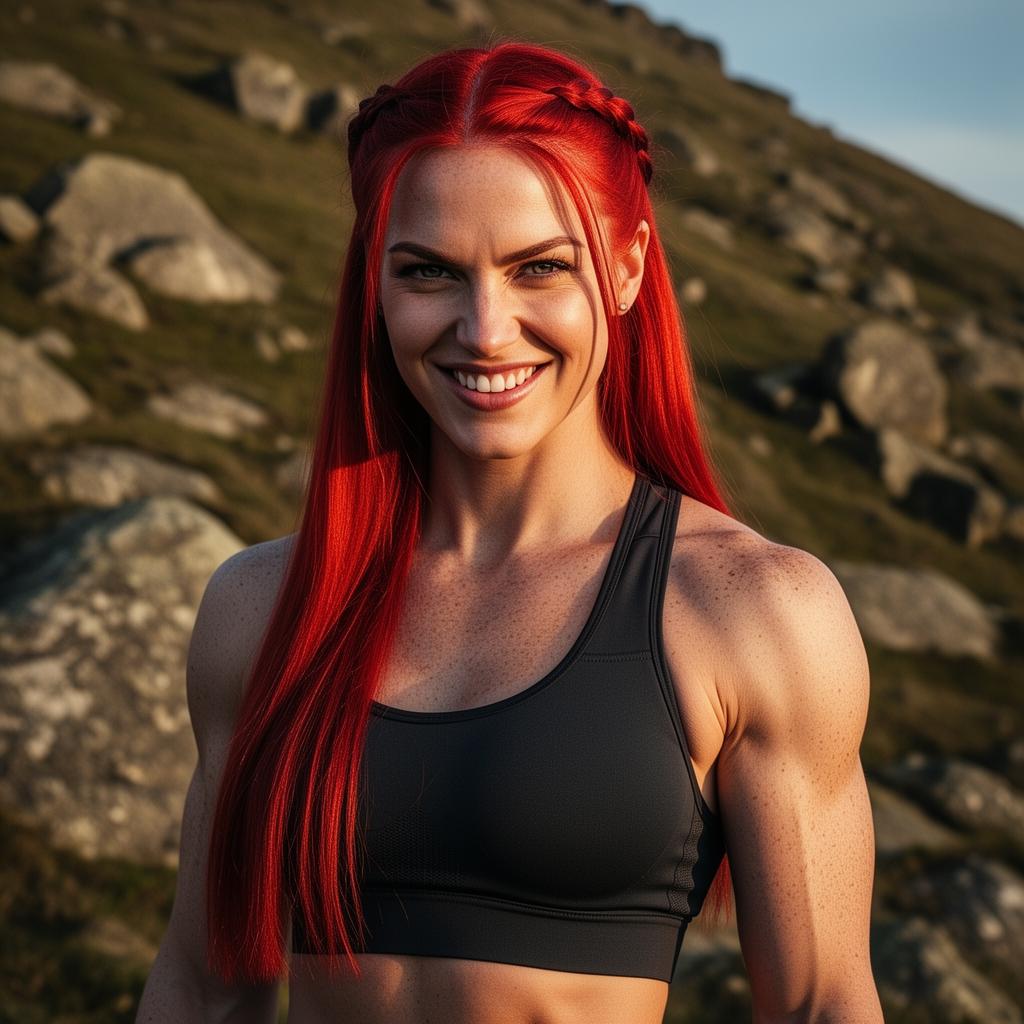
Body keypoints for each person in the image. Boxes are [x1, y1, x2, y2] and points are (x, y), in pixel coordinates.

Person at [136, 39, 883, 1024]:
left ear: (625, 267)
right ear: (375, 284)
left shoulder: (752, 610)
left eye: (538, 267)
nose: (485, 328)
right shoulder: (258, 607)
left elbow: (822, 1005)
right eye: (429, 271)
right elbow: (202, 990)